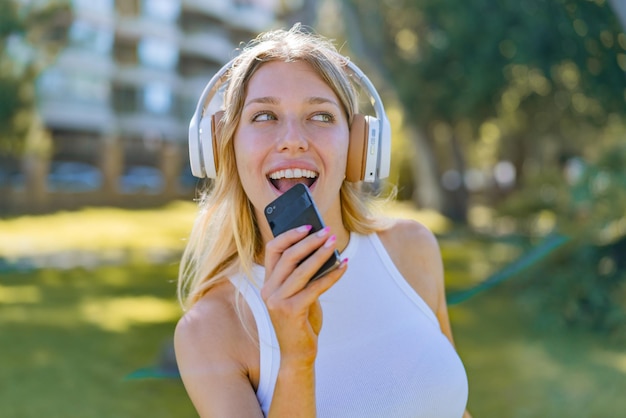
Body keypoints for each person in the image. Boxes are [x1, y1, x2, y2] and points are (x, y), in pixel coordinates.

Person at [174, 24, 471, 418]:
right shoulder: (209, 330)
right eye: (264, 116)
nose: (293, 139)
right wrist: (296, 358)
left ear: (359, 147)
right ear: (223, 148)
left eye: (320, 116)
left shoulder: (412, 249)